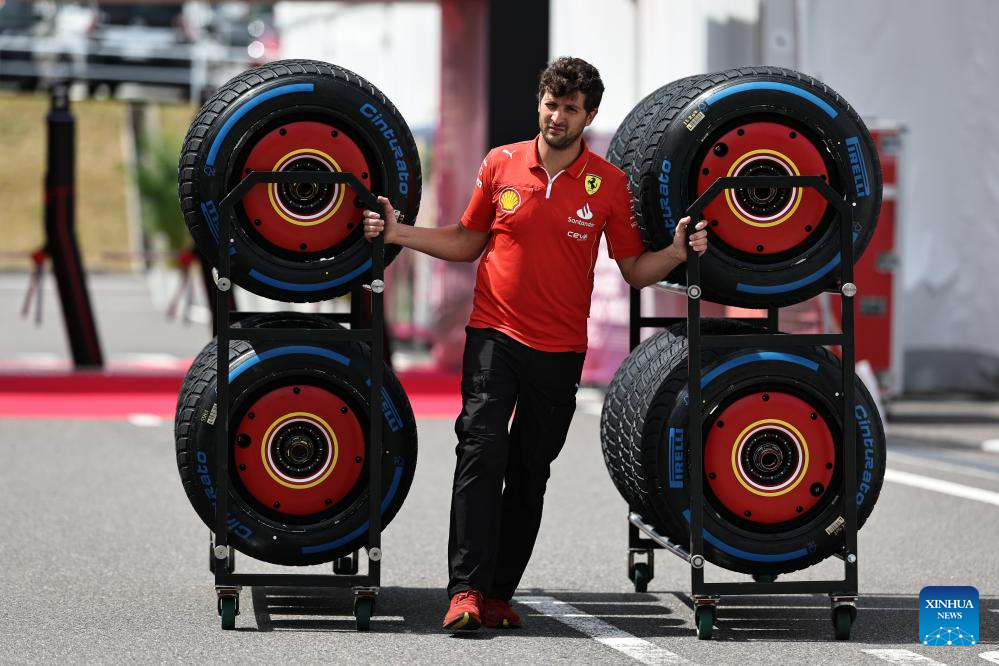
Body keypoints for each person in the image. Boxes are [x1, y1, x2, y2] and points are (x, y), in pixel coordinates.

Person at [362, 56, 708, 633]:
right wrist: (400, 233)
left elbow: (634, 271)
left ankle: (499, 593)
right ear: (539, 103)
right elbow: (466, 241)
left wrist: (675, 252)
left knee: (529, 471)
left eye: (570, 108)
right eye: (551, 104)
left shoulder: (608, 185)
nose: (557, 116)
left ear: (589, 116)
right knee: (480, 453)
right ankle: (465, 591)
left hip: (560, 351)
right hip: (493, 336)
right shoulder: (500, 163)